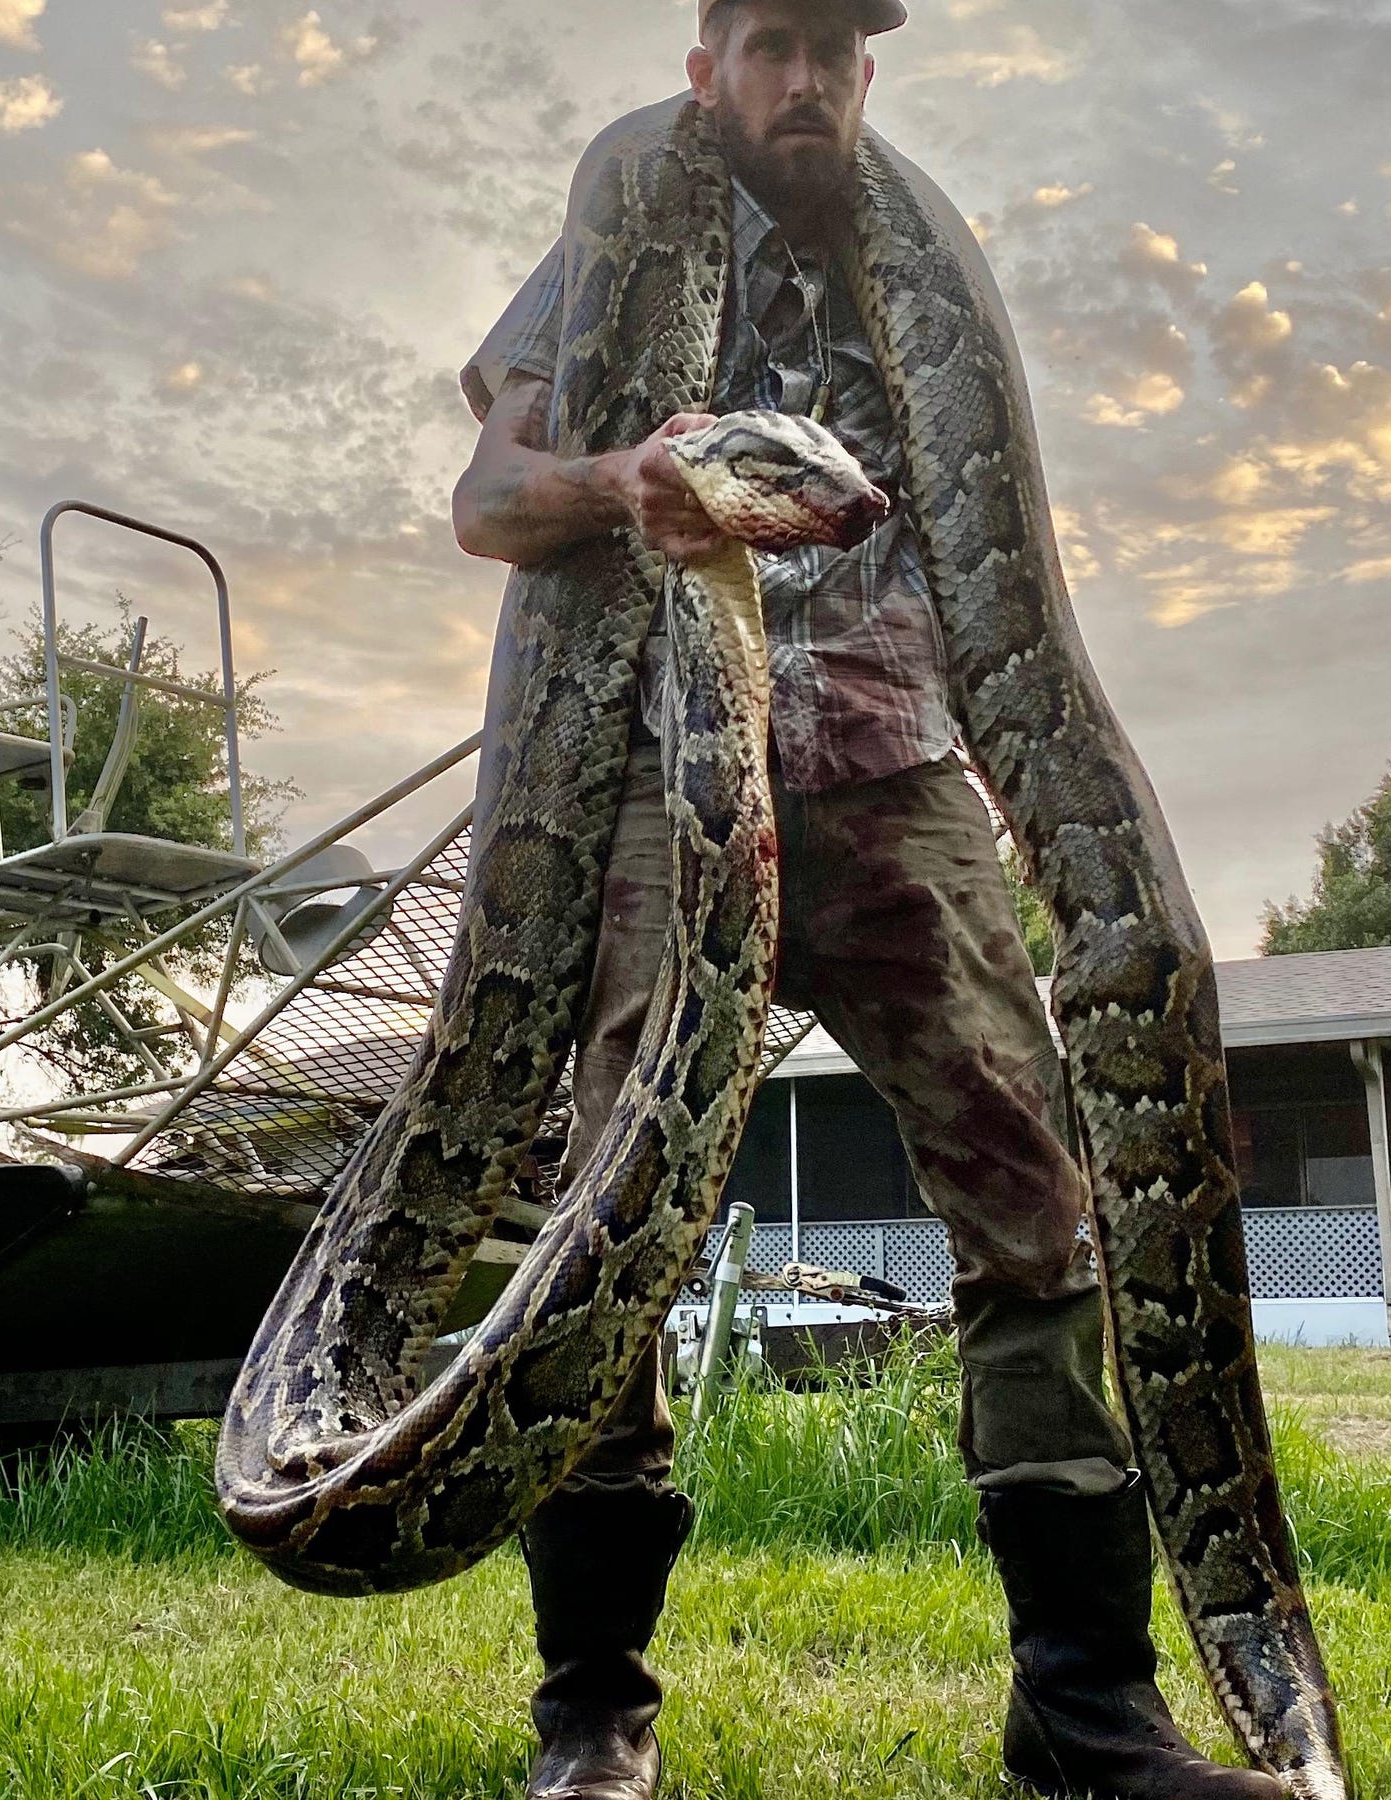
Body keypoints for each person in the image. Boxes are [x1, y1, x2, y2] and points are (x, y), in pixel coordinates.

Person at [450, 5, 1290, 1799]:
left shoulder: (929, 266)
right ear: (708, 69)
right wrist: (632, 481)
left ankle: (1083, 1705)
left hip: (901, 766)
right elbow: (489, 497)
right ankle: (593, 1709)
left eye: (834, 45)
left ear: (870, 71)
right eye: (770, 42)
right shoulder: (613, 222)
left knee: (1038, 1199)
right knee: (618, 1218)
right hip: (663, 788)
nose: (805, 77)